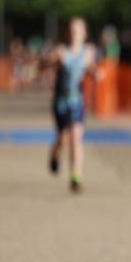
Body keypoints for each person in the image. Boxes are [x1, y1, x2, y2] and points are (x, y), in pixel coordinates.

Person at [49, 17, 98, 193]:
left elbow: (92, 69)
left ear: (84, 33)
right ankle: (55, 155)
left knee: (77, 136)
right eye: (71, 30)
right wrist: (51, 61)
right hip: (60, 101)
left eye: (77, 30)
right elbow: (45, 65)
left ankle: (76, 176)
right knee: (63, 138)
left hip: (77, 100)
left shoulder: (89, 51)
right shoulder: (61, 51)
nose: (74, 34)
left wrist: (95, 73)